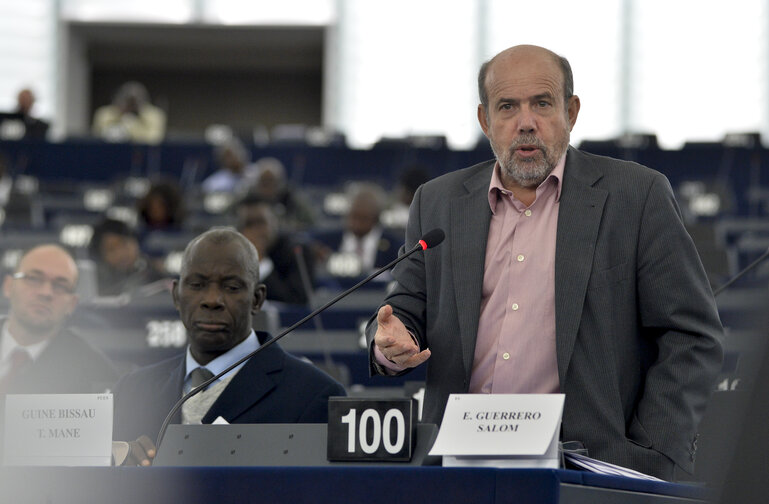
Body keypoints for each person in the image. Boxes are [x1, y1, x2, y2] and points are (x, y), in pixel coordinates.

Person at [366, 45, 724, 481]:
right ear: (485, 121)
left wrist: (651, 451)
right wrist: (389, 343)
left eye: (542, 103)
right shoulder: (437, 202)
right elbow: (402, 312)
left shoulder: (637, 195)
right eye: (507, 107)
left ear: (571, 112)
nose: (526, 123)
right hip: (458, 467)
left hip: (587, 469)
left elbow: (691, 335)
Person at [113, 228, 346, 465]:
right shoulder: (131, 391)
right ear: (176, 295)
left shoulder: (315, 396)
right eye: (196, 284)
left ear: (257, 299)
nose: (212, 300)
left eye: (232, 287)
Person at [0, 245, 119, 448]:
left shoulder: (95, 371)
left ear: (72, 304)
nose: (46, 292)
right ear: (8, 286)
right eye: (34, 279)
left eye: (60, 286)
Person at [236, 195, 315, 305]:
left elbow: (297, 301)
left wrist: (261, 261)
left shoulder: (296, 252)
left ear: (275, 223)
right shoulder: (232, 255)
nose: (255, 231)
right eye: (249, 224)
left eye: (261, 222)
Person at [312, 182, 402, 275]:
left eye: (363, 218)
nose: (357, 224)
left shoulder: (394, 250)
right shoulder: (326, 242)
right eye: (353, 217)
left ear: (376, 219)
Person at [88, 218, 169, 296]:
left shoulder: (156, 276)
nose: (121, 253)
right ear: (101, 255)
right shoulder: (97, 286)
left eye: (125, 244)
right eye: (112, 249)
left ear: (136, 244)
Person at [92, 81, 166, 144]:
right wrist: (120, 115)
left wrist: (133, 127)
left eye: (134, 103)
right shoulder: (105, 113)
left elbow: (154, 138)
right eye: (128, 101)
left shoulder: (154, 114)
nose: (131, 106)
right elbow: (98, 136)